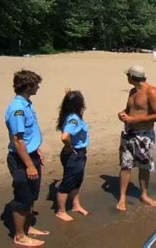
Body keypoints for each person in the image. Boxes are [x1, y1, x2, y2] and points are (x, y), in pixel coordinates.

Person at [5, 70, 49, 246]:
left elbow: (28, 137)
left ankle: (28, 227)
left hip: (30, 155)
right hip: (21, 159)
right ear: (28, 86)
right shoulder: (17, 109)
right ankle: (20, 236)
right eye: (36, 84)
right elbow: (17, 141)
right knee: (22, 198)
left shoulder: (26, 104)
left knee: (31, 195)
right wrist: (29, 165)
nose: (38, 86)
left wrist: (35, 152)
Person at [116, 65, 156, 211]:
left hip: (144, 135)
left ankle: (144, 194)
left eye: (128, 76)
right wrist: (123, 114)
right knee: (125, 165)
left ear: (132, 77)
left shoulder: (151, 91)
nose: (127, 78)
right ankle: (122, 197)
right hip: (129, 133)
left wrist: (134, 120)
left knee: (144, 166)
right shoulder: (132, 91)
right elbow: (129, 109)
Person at [55, 90, 90, 221]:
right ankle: (61, 211)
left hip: (78, 155)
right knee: (67, 183)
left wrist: (69, 96)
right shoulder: (74, 120)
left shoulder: (71, 114)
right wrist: (69, 147)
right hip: (74, 154)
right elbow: (65, 137)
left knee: (77, 181)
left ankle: (76, 205)